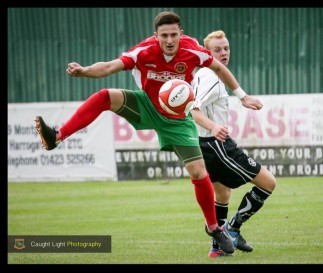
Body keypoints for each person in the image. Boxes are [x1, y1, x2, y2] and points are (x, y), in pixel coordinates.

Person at [35, 12, 263, 256]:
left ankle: (214, 228)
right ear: (156, 36)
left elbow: (218, 67)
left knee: (199, 172)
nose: (169, 40)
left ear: (181, 34)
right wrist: (85, 70)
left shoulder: (193, 50)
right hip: (147, 105)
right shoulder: (144, 51)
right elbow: (111, 66)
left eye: (173, 34)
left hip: (178, 120)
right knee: (105, 96)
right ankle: (57, 137)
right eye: (164, 35)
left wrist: (243, 96)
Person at [190, 30, 277, 258]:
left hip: (205, 146)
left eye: (226, 48)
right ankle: (232, 229)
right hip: (217, 145)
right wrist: (212, 126)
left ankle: (218, 247)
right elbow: (194, 110)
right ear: (207, 53)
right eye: (217, 49)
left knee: (223, 194)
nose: (223, 52)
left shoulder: (204, 74)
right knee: (268, 183)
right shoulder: (211, 76)